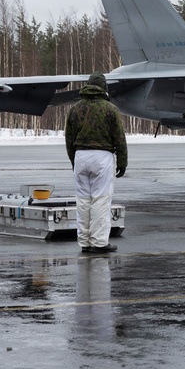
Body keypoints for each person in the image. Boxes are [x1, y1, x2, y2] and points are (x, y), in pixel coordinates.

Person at [65, 71, 127, 254]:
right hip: (102, 157)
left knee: (83, 200)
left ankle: (84, 241)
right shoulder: (110, 109)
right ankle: (99, 242)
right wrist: (122, 162)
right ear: (104, 87)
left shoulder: (75, 109)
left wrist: (73, 160)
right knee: (100, 199)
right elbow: (119, 139)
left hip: (80, 157)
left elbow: (69, 138)